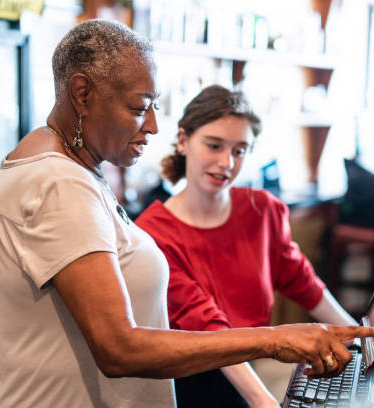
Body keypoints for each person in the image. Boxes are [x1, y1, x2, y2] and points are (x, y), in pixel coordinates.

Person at [0, 19, 374, 408]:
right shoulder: (58, 183)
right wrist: (274, 340)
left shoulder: (69, 167)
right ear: (82, 94)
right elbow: (118, 348)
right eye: (140, 107)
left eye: (154, 106)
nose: (152, 125)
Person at [135, 85, 360, 407]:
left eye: (239, 150)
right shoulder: (154, 233)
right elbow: (210, 329)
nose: (226, 162)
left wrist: (364, 346)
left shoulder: (262, 210)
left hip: (251, 364)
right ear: (183, 141)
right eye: (214, 146)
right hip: (193, 385)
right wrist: (262, 402)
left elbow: (305, 285)